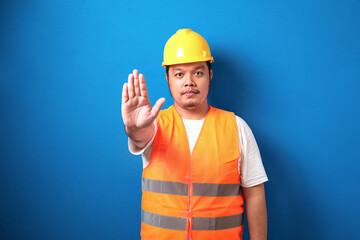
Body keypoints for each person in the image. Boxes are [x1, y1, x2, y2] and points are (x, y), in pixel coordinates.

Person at [122, 28, 268, 240]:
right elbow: (139, 136)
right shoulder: (153, 126)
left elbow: (255, 194)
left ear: (210, 75)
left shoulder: (237, 127)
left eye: (197, 72)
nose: (188, 81)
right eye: (179, 74)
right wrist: (133, 128)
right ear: (168, 78)